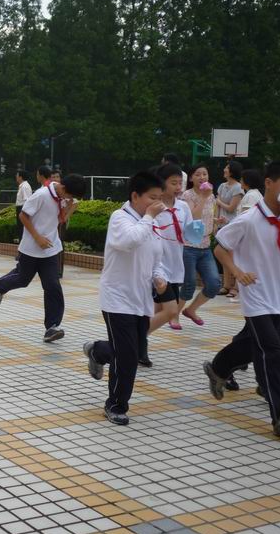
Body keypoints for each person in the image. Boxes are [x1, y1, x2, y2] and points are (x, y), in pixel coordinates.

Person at [202, 160, 280, 437]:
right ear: (269, 183)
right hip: (256, 295)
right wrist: (237, 272)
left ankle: (219, 367)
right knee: (272, 349)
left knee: (271, 339)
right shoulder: (249, 218)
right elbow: (221, 248)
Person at [83, 171, 167, 426]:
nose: (158, 204)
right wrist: (150, 218)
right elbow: (129, 241)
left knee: (132, 350)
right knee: (128, 357)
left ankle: (97, 350)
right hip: (117, 298)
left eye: (159, 199)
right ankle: (116, 405)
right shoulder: (120, 219)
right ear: (135, 196)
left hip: (141, 300)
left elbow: (157, 258)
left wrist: (159, 276)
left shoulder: (150, 224)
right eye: (152, 198)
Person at [0, 174, 87, 343]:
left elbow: (60, 220)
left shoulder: (62, 197)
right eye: (70, 195)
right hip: (31, 247)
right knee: (23, 279)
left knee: (52, 286)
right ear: (64, 188)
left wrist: (70, 206)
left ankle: (52, 327)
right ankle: (1, 286)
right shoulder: (41, 195)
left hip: (51, 249)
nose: (69, 198)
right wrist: (37, 237)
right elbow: (23, 216)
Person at [140, 164, 193, 367]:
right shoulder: (153, 208)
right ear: (161, 184)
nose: (178, 186)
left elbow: (188, 234)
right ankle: (135, 341)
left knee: (153, 309)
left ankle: (139, 346)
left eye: (180, 182)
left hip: (175, 265)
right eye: (173, 183)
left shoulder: (183, 207)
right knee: (171, 310)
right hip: (157, 266)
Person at [178, 164, 221, 326]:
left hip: (205, 246)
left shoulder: (211, 196)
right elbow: (192, 218)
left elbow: (209, 215)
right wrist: (203, 197)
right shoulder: (186, 196)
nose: (202, 177)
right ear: (191, 178)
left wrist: (216, 222)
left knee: (214, 284)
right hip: (189, 246)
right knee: (188, 284)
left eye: (205, 174)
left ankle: (191, 310)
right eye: (198, 174)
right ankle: (173, 316)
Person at [216, 160, 244, 298]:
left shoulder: (238, 188)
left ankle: (236, 287)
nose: (224, 170)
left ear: (232, 171)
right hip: (221, 224)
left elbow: (231, 208)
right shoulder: (222, 186)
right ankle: (226, 285)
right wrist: (215, 222)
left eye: (226, 168)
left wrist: (219, 201)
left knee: (233, 257)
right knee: (224, 256)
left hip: (233, 224)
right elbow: (219, 207)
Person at [15, 170, 33, 242]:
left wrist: (23, 212)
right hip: (20, 208)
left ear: (21, 177)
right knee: (20, 228)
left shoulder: (25, 186)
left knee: (22, 229)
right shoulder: (22, 186)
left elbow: (27, 200)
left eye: (17, 175)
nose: (16, 177)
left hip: (22, 208)